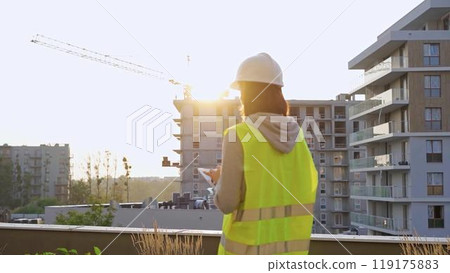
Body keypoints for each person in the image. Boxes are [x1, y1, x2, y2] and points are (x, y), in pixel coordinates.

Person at [207, 53, 318, 255]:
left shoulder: (237, 136)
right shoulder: (299, 138)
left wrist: (219, 180)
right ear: (278, 93)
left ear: (246, 94)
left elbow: (227, 203)